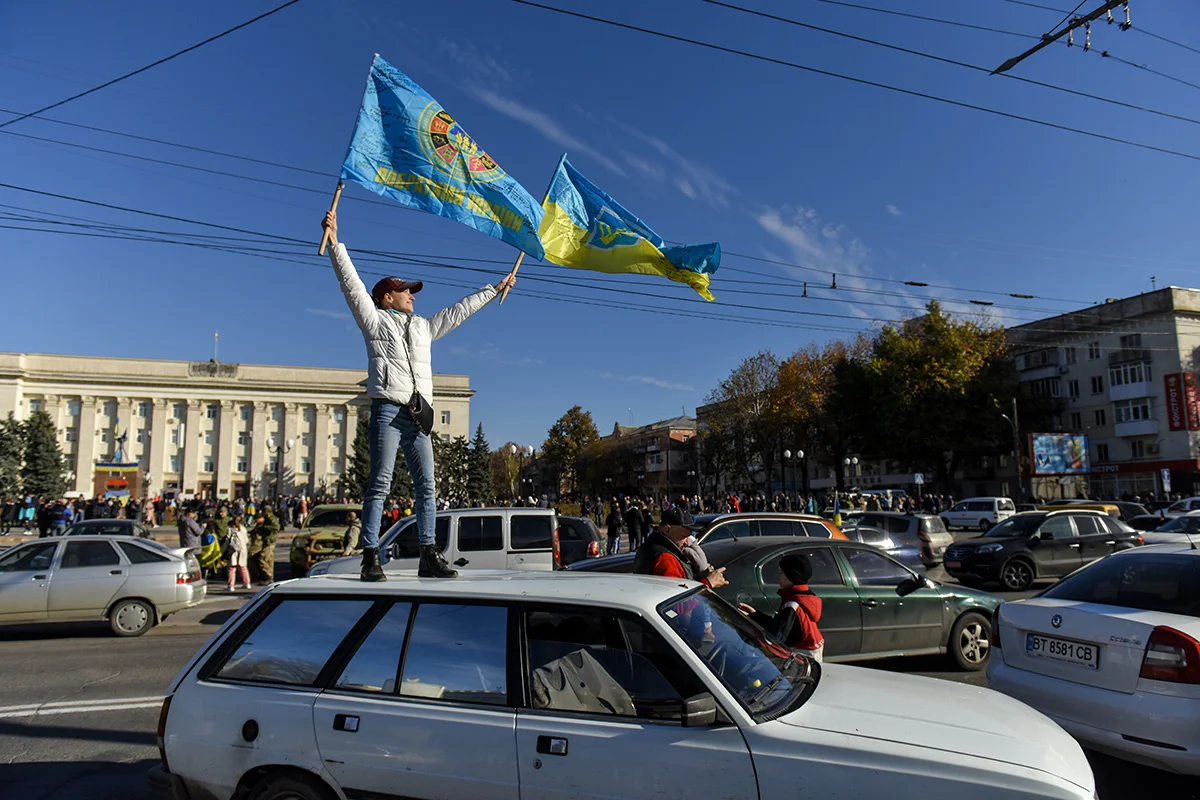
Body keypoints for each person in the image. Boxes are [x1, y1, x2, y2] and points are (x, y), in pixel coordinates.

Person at [322, 209, 516, 581]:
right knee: (379, 483)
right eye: (405, 290)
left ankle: (429, 554)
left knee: (427, 486)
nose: (412, 295)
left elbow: (459, 312)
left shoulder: (424, 327)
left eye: (411, 291)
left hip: (419, 416)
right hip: (388, 412)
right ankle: (369, 557)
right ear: (387, 297)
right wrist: (335, 242)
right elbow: (352, 285)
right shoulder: (374, 320)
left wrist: (493, 290)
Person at [737, 553, 825, 662]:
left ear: (792, 576)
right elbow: (779, 626)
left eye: (781, 573)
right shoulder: (802, 597)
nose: (778, 577)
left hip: (803, 656)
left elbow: (778, 639)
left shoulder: (793, 605)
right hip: (810, 652)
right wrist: (755, 615)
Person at [632, 507, 727, 589]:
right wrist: (708, 583)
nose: (687, 542)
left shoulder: (650, 547)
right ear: (667, 530)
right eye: (684, 536)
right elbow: (677, 605)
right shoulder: (666, 559)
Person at [249, 509, 280, 584]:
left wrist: (265, 527)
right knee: (268, 560)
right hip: (266, 542)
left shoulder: (269, 521)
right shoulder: (263, 523)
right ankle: (267, 576)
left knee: (263, 559)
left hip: (269, 542)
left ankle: (268, 576)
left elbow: (276, 527)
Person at [226, 515, 252, 591]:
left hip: (233, 550)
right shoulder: (243, 529)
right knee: (243, 567)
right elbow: (246, 540)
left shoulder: (230, 529)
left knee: (232, 568)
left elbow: (227, 541)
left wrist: (223, 550)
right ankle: (247, 583)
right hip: (242, 549)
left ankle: (231, 585)